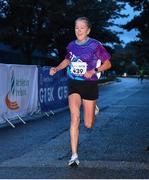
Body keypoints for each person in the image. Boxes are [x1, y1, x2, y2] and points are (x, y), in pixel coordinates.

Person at [49, 17, 111, 166]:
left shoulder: (95, 45)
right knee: (75, 118)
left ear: (88, 30)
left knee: (88, 124)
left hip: (90, 85)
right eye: (77, 28)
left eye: (82, 28)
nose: (79, 30)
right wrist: (57, 68)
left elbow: (108, 64)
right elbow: (68, 60)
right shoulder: (71, 45)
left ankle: (93, 107)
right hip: (74, 85)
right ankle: (74, 156)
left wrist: (94, 70)